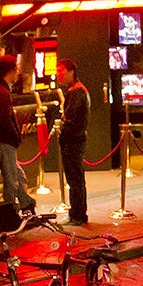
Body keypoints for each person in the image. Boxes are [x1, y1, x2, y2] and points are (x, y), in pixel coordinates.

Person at [0, 54, 35, 214]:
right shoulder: (2, 92)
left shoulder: (0, 90)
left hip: (3, 140)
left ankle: (25, 203)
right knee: (12, 178)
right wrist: (16, 136)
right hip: (5, 141)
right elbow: (5, 118)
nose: (18, 73)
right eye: (16, 69)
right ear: (10, 70)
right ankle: (10, 210)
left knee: (17, 174)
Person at [54, 60, 92, 226]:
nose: (58, 74)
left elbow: (71, 120)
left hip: (73, 142)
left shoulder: (75, 92)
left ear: (71, 71)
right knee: (76, 179)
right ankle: (77, 213)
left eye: (61, 71)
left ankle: (78, 215)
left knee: (75, 179)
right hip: (77, 140)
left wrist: (63, 135)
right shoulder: (78, 89)